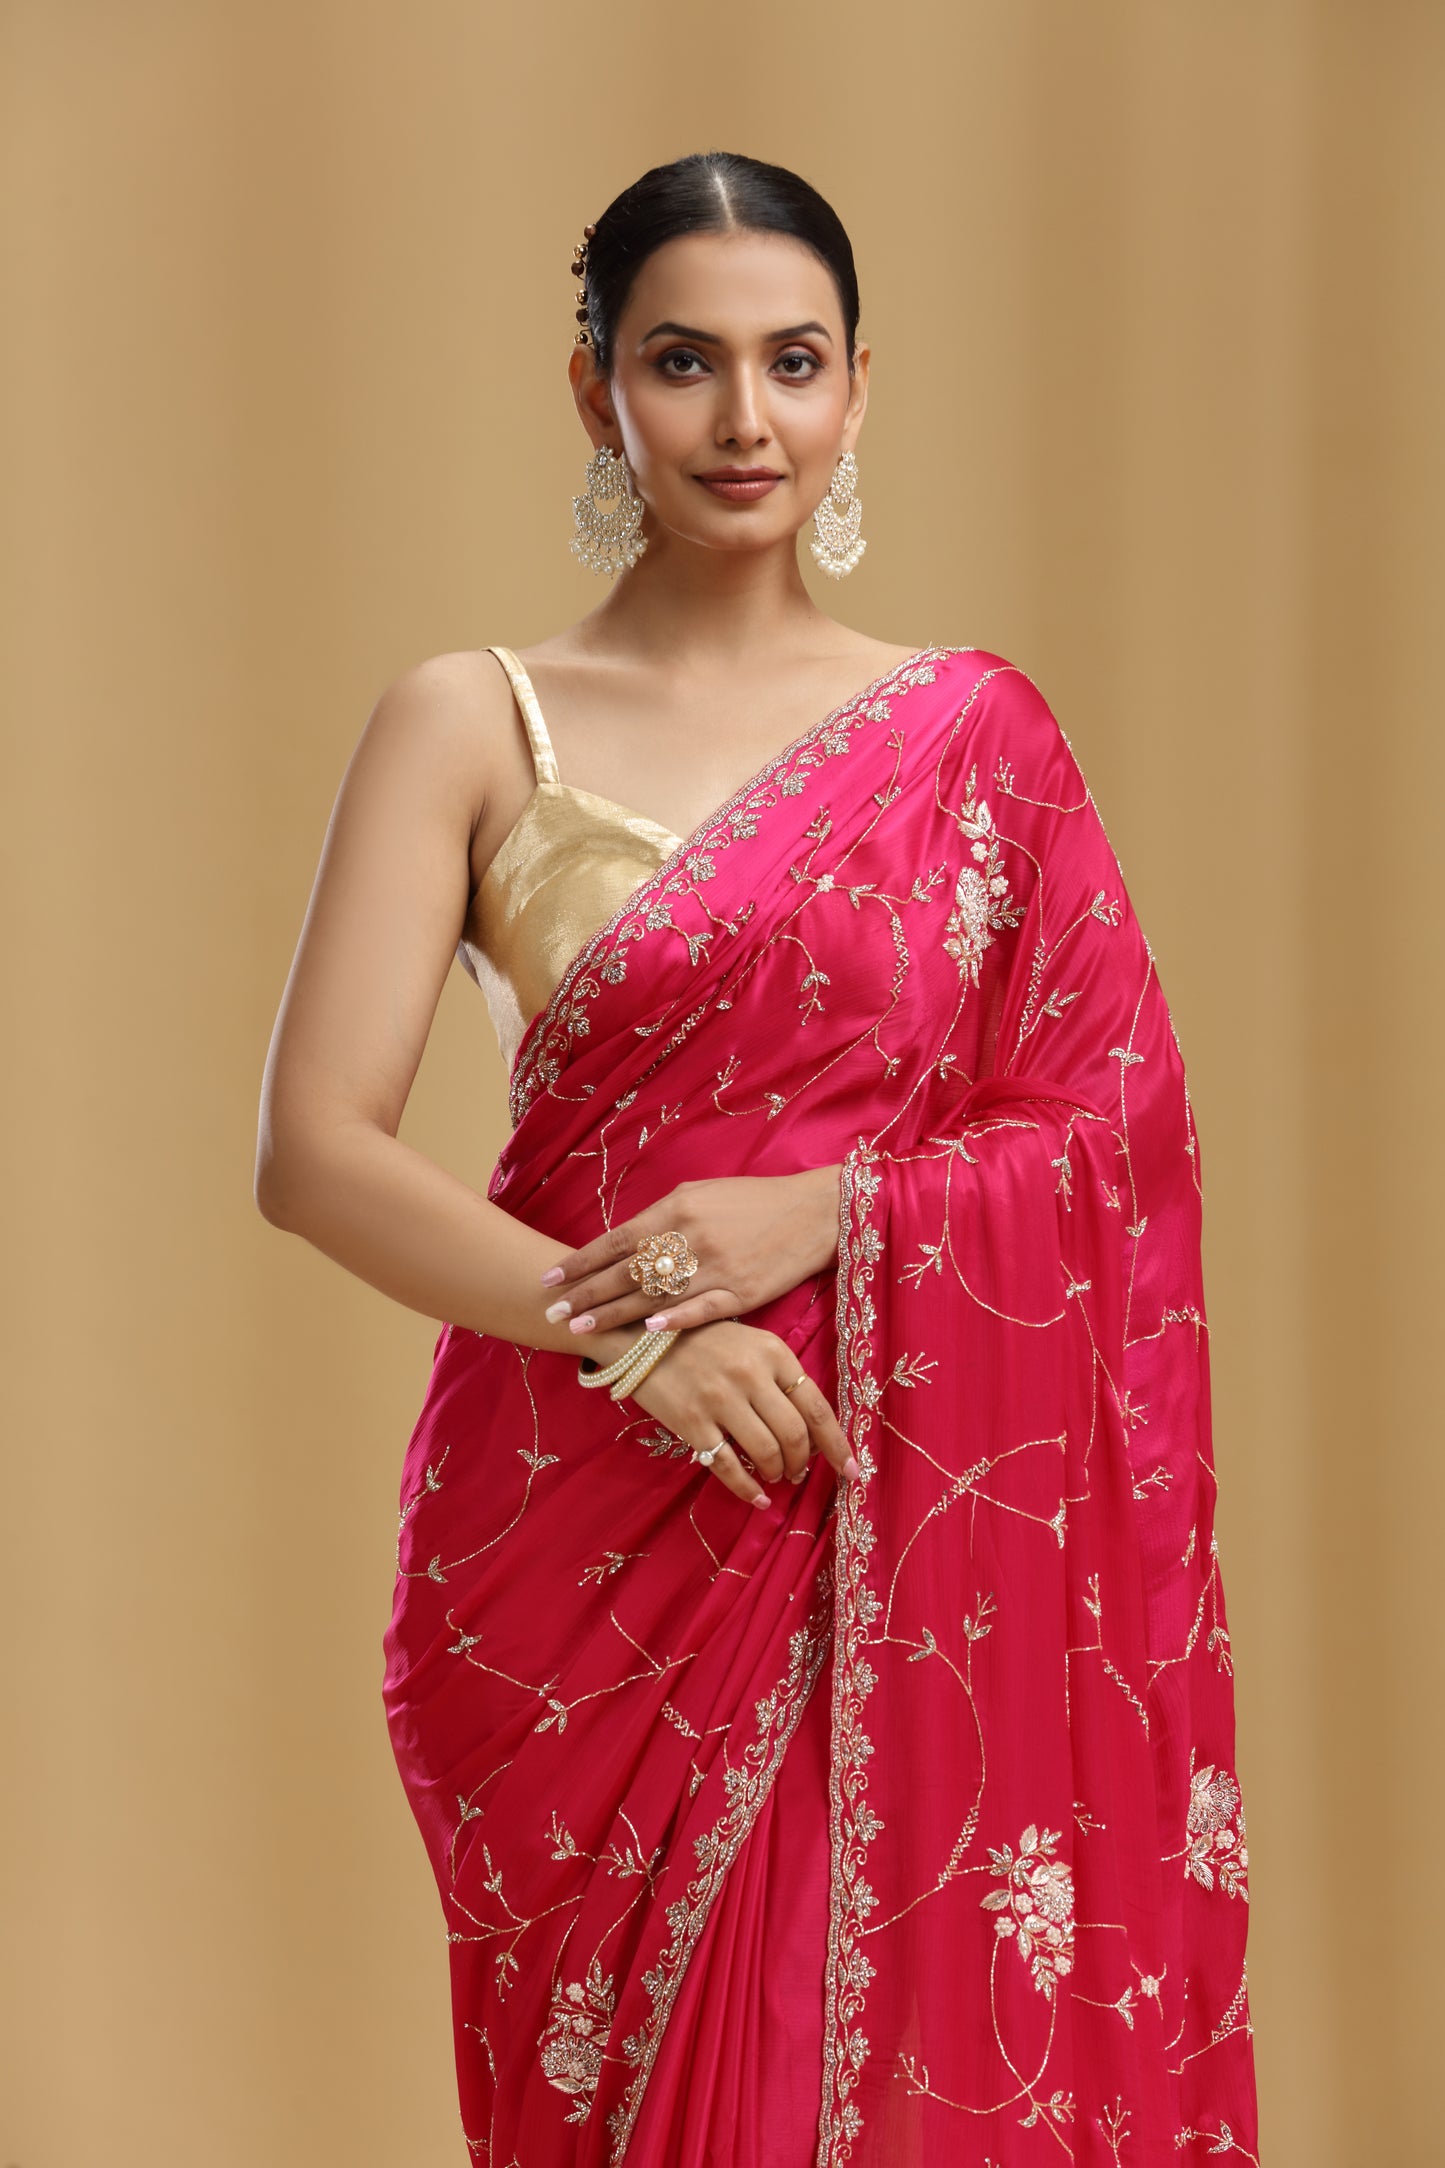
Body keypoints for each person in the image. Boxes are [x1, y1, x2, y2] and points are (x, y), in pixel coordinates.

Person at [255, 150, 1259, 2168]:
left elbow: (1111, 1142)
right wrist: (635, 1338)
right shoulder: (476, 720)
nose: (742, 419)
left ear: (860, 387)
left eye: (791, 363)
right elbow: (311, 1151)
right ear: (593, 389)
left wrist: (830, 1214)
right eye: (683, 362)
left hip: (875, 1498)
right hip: (572, 1535)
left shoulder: (976, 733)